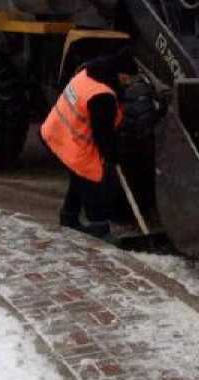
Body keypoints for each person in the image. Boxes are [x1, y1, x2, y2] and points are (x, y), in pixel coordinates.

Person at [41, 51, 138, 239]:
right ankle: (99, 228)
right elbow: (103, 134)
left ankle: (69, 218)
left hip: (57, 131)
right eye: (126, 78)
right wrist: (112, 155)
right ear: (117, 73)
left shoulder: (89, 74)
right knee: (93, 181)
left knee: (78, 178)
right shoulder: (102, 96)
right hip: (72, 141)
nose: (127, 83)